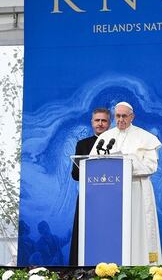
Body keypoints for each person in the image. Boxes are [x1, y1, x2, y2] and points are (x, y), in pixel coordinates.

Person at [90, 101, 162, 264]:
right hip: (110, 193)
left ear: (132, 117)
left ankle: (141, 265)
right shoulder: (105, 138)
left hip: (137, 191)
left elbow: (151, 167)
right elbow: (92, 165)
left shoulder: (145, 137)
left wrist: (128, 163)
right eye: (117, 116)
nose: (120, 119)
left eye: (124, 116)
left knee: (137, 229)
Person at [68, 107, 111, 265]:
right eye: (97, 120)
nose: (100, 124)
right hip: (89, 196)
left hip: (113, 197)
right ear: (92, 123)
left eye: (104, 120)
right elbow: (75, 174)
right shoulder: (82, 145)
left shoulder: (117, 143)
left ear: (109, 123)